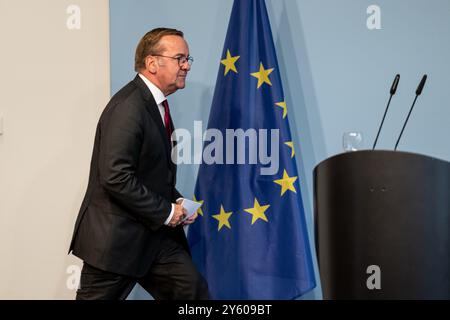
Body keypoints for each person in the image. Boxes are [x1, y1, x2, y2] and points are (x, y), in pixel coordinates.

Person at [68, 28, 209, 300]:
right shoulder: (128, 107)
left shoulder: (157, 105)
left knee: (193, 292)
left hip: (155, 239)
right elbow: (115, 176)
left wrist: (177, 203)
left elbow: (149, 174)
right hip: (117, 241)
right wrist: (167, 212)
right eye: (180, 58)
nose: (186, 66)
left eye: (188, 59)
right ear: (152, 63)